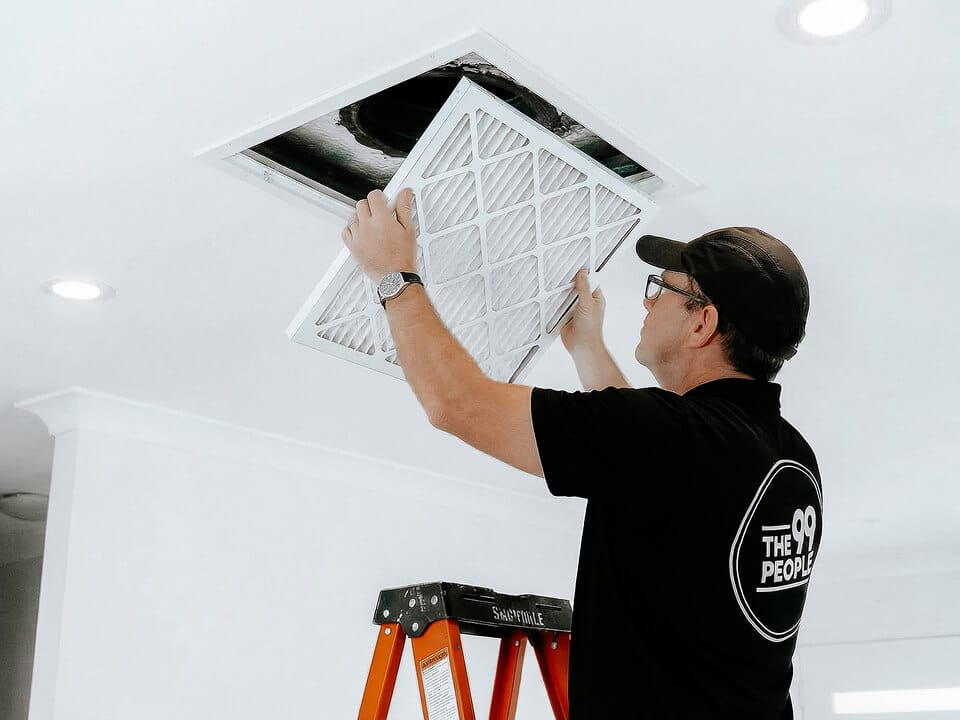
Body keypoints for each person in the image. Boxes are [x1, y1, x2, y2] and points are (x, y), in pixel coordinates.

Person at [342, 187, 823, 719]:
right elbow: (648, 466)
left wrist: (392, 273)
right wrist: (588, 347)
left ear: (701, 323)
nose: (647, 301)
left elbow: (457, 404)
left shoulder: (672, 437)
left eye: (661, 289)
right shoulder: (789, 456)